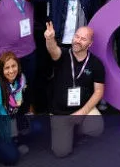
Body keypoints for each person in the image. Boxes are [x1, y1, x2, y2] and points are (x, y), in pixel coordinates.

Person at [43, 24, 104, 158]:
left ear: (90, 43)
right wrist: (50, 39)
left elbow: (99, 91)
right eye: (76, 36)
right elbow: (53, 50)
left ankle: (78, 129)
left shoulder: (96, 64)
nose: (77, 40)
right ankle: (69, 130)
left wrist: (82, 112)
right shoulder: (63, 54)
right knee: (61, 152)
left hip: (82, 108)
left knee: (96, 126)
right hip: (60, 111)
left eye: (83, 39)